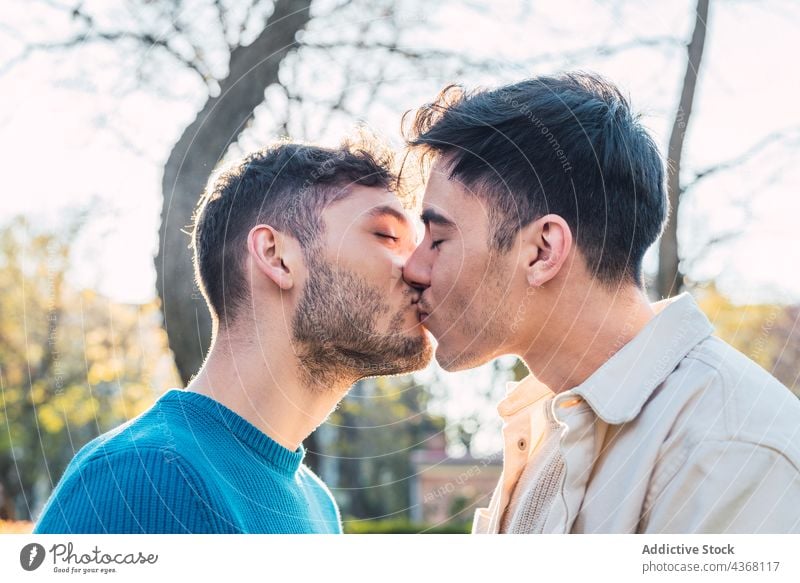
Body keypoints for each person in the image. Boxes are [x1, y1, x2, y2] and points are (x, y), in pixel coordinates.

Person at [401, 72, 800, 533]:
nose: (413, 267)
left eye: (439, 238)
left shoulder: (728, 450)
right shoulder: (552, 423)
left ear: (542, 251)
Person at [34, 138, 432, 533]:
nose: (419, 269)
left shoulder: (318, 507)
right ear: (276, 256)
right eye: (387, 236)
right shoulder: (143, 479)